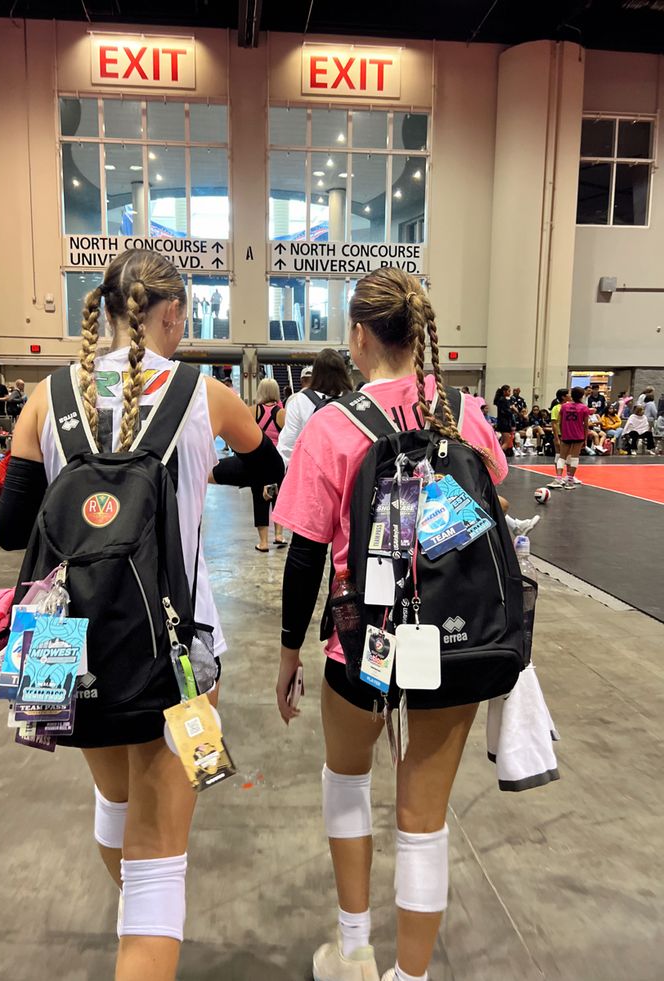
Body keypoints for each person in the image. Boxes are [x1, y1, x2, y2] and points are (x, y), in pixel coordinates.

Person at [0, 249, 282, 981]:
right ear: (171, 310)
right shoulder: (205, 395)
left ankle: (140, 929)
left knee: (114, 808)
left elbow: (8, 530)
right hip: (178, 651)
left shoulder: (47, 399)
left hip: (66, 641)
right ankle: (147, 935)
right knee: (160, 861)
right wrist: (202, 466)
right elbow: (268, 466)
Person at [272, 268, 508, 981]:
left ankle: (352, 947)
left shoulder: (331, 424)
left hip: (361, 636)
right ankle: (410, 976)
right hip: (454, 637)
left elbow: (307, 555)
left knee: (346, 782)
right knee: (425, 818)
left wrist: (288, 653)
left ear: (359, 335)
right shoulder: (464, 412)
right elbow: (487, 507)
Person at [278, 350, 353, 468]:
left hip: (312, 473)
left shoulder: (300, 401)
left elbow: (288, 447)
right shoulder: (354, 400)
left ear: (316, 373)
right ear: (343, 372)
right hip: (347, 473)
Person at [249, 378, 287, 552]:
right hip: (277, 461)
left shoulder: (253, 411)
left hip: (258, 461)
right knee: (279, 497)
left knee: (260, 498)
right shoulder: (282, 413)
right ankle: (279, 535)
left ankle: (263, 542)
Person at [549, 387, 589, 489]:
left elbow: (561, 422)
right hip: (578, 435)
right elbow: (585, 425)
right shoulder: (584, 408)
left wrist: (563, 433)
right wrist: (585, 438)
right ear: (582, 396)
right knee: (574, 457)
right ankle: (570, 480)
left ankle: (558, 478)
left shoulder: (564, 407)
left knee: (562, 457)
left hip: (566, 435)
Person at [492, 384, 515, 456]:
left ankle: (498, 455)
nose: (510, 393)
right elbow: (506, 412)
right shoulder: (503, 400)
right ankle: (498, 456)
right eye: (508, 391)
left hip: (502, 423)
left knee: (503, 441)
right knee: (506, 442)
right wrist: (512, 410)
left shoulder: (501, 400)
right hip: (504, 423)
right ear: (504, 391)